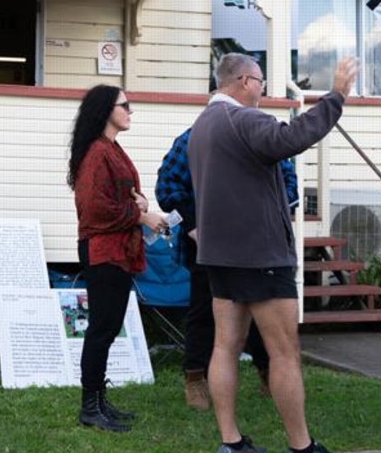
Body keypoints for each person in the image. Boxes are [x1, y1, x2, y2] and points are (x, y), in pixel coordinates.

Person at [188, 52, 357, 453]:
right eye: (260, 82)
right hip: (260, 255)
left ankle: (230, 442)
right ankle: (302, 446)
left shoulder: (201, 126)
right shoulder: (244, 119)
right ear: (244, 81)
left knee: (224, 346)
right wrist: (335, 96)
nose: (263, 90)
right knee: (284, 352)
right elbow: (291, 139)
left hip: (218, 255)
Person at [156, 125, 299, 409]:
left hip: (260, 244)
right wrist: (193, 224)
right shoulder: (195, 137)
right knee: (204, 312)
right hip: (210, 245)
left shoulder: (264, 134)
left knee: (264, 312)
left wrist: (273, 217)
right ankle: (195, 379)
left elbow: (289, 185)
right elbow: (167, 187)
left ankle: (269, 374)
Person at [68, 84, 171, 433]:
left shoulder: (110, 148)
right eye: (125, 104)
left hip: (117, 251)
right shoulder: (97, 152)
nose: (131, 110)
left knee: (108, 329)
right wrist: (141, 215)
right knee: (101, 330)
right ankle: (89, 408)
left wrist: (140, 203)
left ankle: (99, 402)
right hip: (103, 251)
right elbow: (95, 208)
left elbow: (118, 195)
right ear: (105, 110)